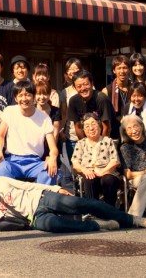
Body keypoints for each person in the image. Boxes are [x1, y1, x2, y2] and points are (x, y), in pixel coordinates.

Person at [0, 164, 146, 233]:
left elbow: (28, 185)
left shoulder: (1, 181)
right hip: (34, 218)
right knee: (59, 226)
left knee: (80, 203)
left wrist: (56, 188)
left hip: (41, 198)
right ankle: (98, 225)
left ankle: (131, 220)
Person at [0, 81, 59, 185]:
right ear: (15, 98)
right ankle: (9, 200)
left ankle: (41, 200)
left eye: (28, 95)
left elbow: (53, 147)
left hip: (35, 162)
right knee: (2, 168)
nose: (24, 99)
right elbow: (0, 136)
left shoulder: (44, 118)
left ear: (33, 97)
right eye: (20, 95)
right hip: (13, 160)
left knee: (49, 170)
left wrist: (53, 158)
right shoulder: (9, 111)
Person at [71, 113, 121, 206]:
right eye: (87, 126)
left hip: (107, 172)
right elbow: (75, 162)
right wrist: (84, 169)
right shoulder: (80, 143)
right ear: (83, 130)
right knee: (89, 178)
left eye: (93, 124)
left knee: (108, 179)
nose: (91, 128)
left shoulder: (108, 141)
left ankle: (110, 211)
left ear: (100, 126)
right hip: (89, 173)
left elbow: (115, 160)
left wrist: (103, 172)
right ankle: (93, 210)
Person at [67, 70, 116, 139]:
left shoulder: (102, 99)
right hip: (87, 139)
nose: (83, 88)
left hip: (108, 138)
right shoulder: (73, 101)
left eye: (86, 84)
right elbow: (77, 127)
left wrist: (101, 145)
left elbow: (107, 127)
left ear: (92, 83)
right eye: (79, 86)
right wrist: (84, 144)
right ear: (74, 88)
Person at [58, 58, 83, 191]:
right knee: (75, 166)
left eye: (75, 68)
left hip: (89, 135)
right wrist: (61, 130)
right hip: (71, 135)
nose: (73, 71)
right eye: (70, 69)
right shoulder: (65, 92)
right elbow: (63, 113)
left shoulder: (89, 86)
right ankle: (78, 192)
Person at [102, 54, 131, 126]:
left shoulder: (135, 88)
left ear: (129, 69)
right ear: (114, 70)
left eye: (125, 68)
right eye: (119, 68)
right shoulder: (106, 91)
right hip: (114, 129)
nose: (122, 71)